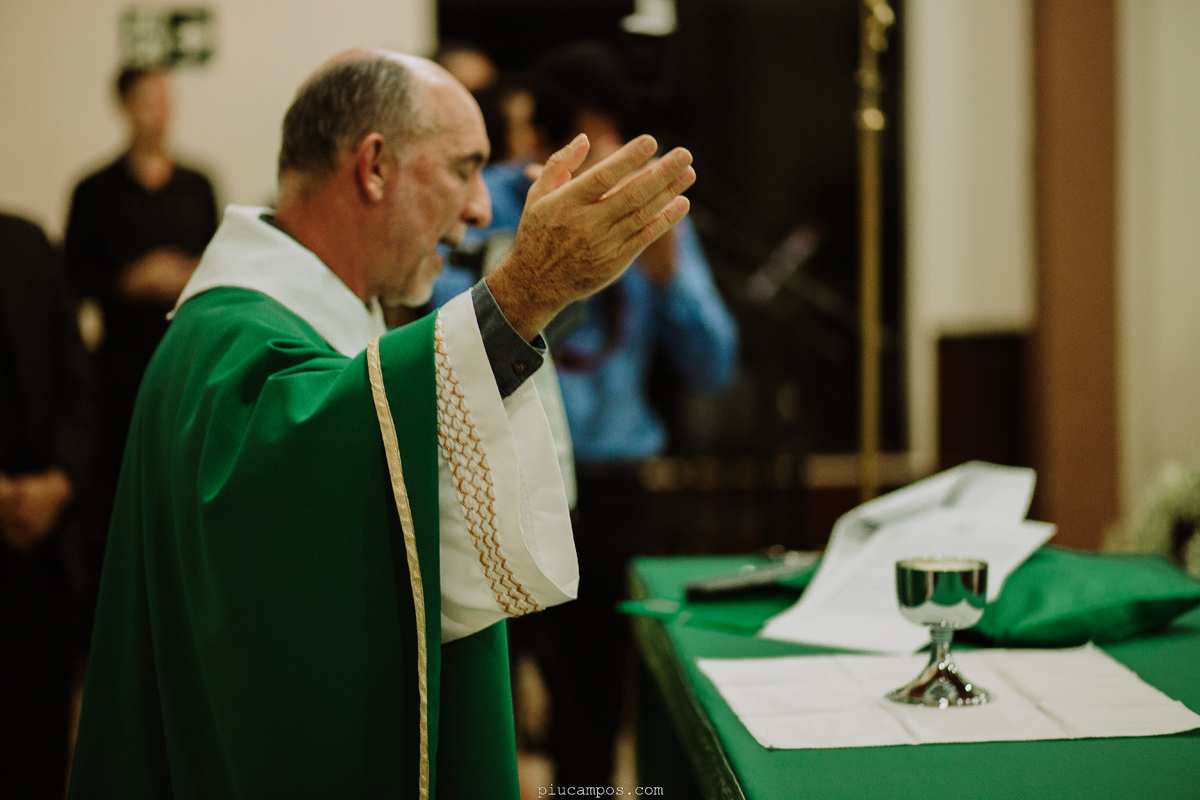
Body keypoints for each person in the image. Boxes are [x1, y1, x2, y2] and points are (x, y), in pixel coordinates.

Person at [68, 49, 695, 799]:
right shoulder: (234, 339)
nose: (480, 211)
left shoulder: (295, 317)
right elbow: (307, 481)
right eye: (462, 169)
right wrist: (523, 293)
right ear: (373, 167)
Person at [435, 41, 738, 786]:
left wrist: (668, 278)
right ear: (541, 141)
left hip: (611, 491)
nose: (605, 159)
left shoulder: (650, 214)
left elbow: (714, 365)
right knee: (480, 711)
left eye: (613, 136)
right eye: (586, 139)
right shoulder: (486, 206)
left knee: (597, 715)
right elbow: (437, 337)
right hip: (494, 483)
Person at [63, 67, 218, 580]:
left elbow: (222, 266)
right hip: (121, 371)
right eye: (149, 100)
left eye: (166, 99)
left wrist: (187, 276)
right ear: (125, 107)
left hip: (190, 363)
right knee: (123, 498)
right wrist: (128, 281)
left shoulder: (198, 185)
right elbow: (71, 281)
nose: (161, 111)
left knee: (189, 494)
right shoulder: (94, 190)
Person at [0, 212, 96, 799]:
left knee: (37, 748)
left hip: (43, 548)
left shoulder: (27, 244)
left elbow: (78, 380)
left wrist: (58, 482)